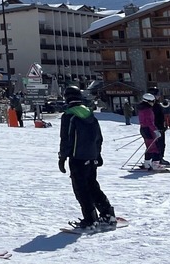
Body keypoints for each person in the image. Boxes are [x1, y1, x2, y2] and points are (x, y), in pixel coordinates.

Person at [58, 86, 117, 231]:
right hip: (91, 156)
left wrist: (62, 157)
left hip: (77, 158)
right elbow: (99, 137)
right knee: (92, 185)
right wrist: (98, 155)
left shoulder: (68, 115)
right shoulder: (90, 114)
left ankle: (90, 219)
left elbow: (65, 139)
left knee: (81, 189)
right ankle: (107, 214)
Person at [136, 92, 164, 170]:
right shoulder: (147, 110)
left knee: (149, 147)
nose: (153, 103)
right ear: (148, 101)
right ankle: (155, 164)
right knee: (155, 147)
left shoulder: (141, 109)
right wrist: (156, 131)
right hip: (149, 130)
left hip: (143, 129)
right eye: (152, 101)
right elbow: (150, 122)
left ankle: (147, 163)